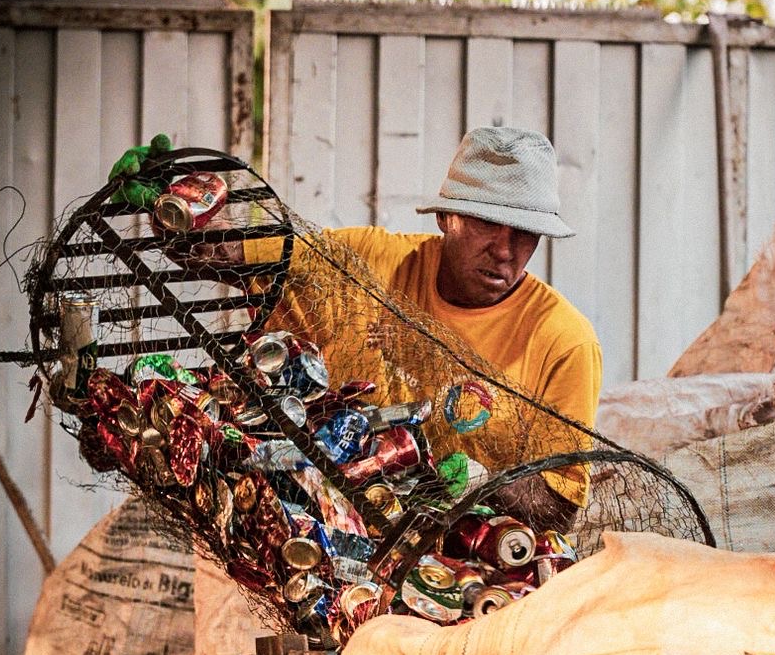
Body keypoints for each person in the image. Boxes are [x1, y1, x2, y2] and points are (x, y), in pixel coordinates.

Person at [203, 126, 602, 528]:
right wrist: (181, 208)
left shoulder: (563, 341)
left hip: (463, 567)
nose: (503, 251)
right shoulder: (367, 264)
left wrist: (481, 481)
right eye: (485, 223)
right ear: (446, 216)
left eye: (524, 233)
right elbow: (221, 251)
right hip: (326, 532)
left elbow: (560, 505)